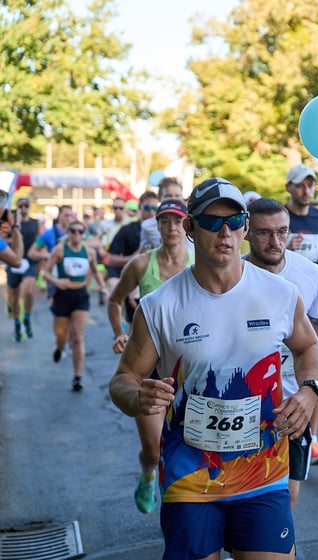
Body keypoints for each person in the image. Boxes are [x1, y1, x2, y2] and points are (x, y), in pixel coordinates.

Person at [109, 177, 318, 560]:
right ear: (190, 228)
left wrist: (310, 390)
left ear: (245, 227)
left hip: (262, 471)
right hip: (191, 475)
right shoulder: (160, 305)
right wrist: (136, 397)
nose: (224, 232)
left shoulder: (279, 294)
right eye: (211, 221)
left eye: (234, 221)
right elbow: (123, 380)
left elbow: (309, 347)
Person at [243, 197, 318, 508]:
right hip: (243, 403)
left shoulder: (309, 272)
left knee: (288, 490)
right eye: (264, 233)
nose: (275, 242)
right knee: (243, 491)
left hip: (292, 402)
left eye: (282, 232)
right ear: (246, 231)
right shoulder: (232, 276)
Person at [108, 199, 194, 514]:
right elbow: (115, 300)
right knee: (154, 450)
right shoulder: (142, 265)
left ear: (187, 225)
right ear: (156, 226)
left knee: (190, 449)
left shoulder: (200, 262)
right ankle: (147, 475)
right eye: (165, 221)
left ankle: (183, 510)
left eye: (178, 221)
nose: (172, 228)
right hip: (150, 369)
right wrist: (120, 333)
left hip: (190, 367)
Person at [284, 163, 318, 465]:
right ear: (289, 188)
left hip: (313, 291)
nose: (306, 190)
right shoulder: (281, 215)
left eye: (310, 185)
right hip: (282, 296)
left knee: (313, 365)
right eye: (300, 185)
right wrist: (285, 245)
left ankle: (313, 438)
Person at [42, 219, 106, 391]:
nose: (76, 234)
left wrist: (103, 286)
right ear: (68, 233)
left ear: (84, 234)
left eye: (80, 231)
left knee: (77, 337)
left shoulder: (89, 252)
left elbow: (96, 271)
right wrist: (57, 281)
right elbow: (45, 273)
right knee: (61, 336)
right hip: (62, 295)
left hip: (81, 296)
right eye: (73, 231)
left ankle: (77, 377)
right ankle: (60, 346)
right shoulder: (60, 249)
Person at [105, 191, 160, 326]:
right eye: (147, 207)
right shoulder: (128, 230)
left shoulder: (164, 229)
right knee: (134, 326)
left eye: (155, 208)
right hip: (133, 282)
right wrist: (132, 258)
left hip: (156, 283)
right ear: (140, 209)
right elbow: (110, 259)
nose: (151, 212)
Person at [5, 198, 40, 341]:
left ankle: (27, 317)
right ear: (17, 207)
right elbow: (3, 240)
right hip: (14, 260)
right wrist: (15, 236)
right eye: (21, 206)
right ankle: (17, 324)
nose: (24, 208)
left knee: (28, 291)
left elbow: (39, 241)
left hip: (30, 261)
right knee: (14, 297)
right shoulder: (10, 222)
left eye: (26, 205)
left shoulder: (35, 223)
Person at [28, 204, 74, 302]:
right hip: (54, 276)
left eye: (70, 215)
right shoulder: (49, 233)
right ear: (59, 216)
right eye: (66, 215)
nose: (69, 218)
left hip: (72, 275)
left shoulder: (77, 233)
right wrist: (48, 255)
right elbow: (32, 253)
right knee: (56, 307)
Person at [140, 177, 184, 251]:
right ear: (160, 198)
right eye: (168, 196)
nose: (173, 200)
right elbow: (142, 251)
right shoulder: (146, 226)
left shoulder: (192, 223)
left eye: (177, 196)